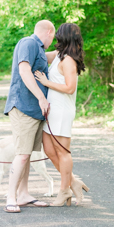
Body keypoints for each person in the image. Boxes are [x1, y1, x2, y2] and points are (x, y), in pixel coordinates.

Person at [3, 20, 56, 213]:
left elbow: (51, 56)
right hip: (23, 107)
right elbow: (24, 71)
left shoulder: (40, 50)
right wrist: (42, 98)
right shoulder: (29, 43)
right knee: (22, 154)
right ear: (49, 32)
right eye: (54, 36)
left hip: (34, 111)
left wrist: (68, 48)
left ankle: (24, 195)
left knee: (27, 153)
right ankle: (11, 197)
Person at [34, 23, 89, 206]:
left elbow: (69, 87)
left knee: (63, 152)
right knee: (49, 150)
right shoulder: (59, 56)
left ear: (64, 37)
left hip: (62, 111)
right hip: (52, 111)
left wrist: (46, 82)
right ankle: (73, 182)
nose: (56, 37)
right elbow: (39, 54)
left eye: (58, 35)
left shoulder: (69, 61)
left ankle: (64, 190)